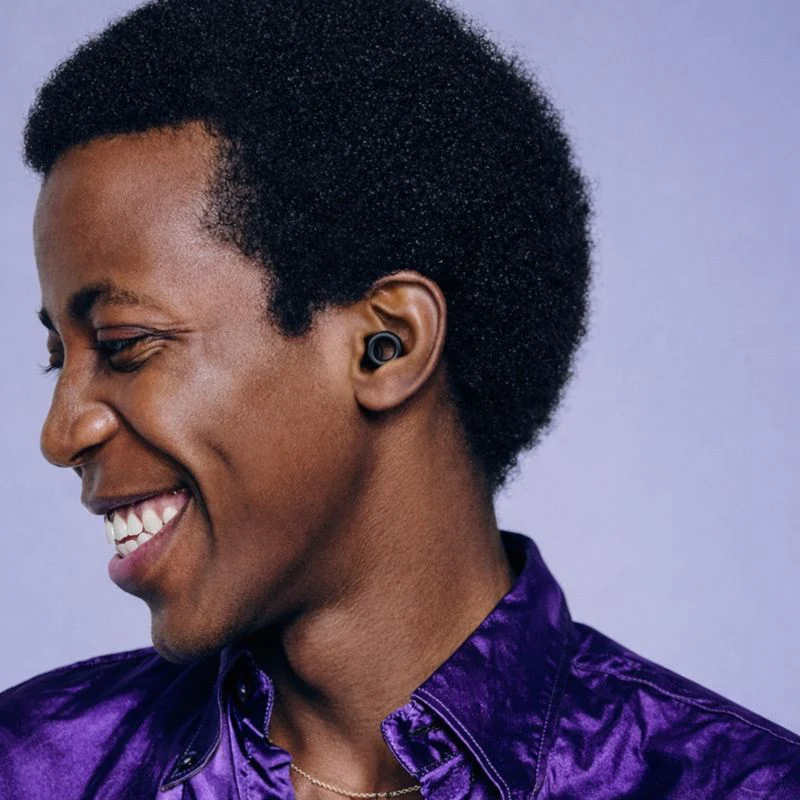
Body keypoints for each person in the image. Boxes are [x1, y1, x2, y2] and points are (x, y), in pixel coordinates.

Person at [1, 0, 798, 797]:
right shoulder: (32, 768)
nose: (60, 432)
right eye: (56, 359)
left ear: (387, 344)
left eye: (125, 343)